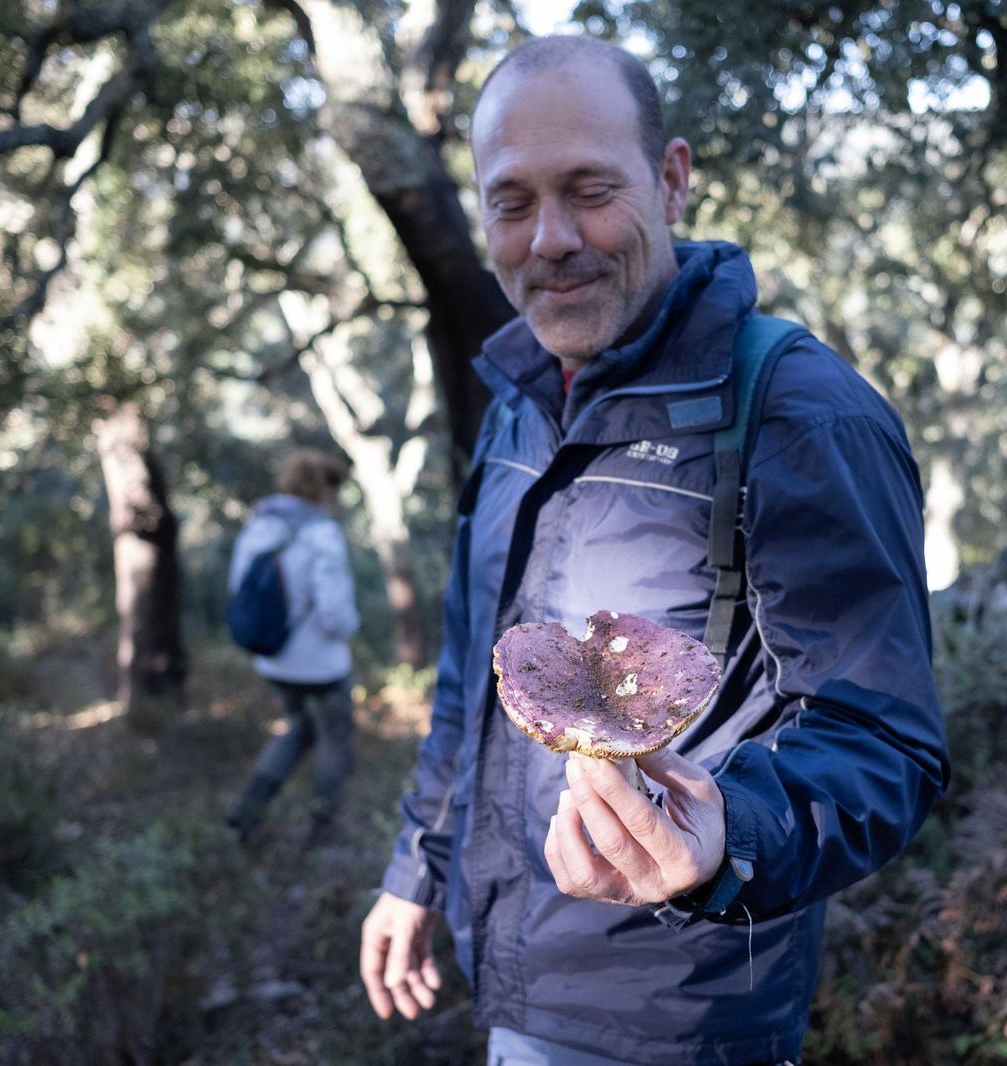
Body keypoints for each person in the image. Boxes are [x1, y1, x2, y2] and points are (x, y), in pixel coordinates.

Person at [361, 35, 950, 1065]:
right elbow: (472, 687)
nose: (548, 239)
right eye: (510, 201)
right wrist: (416, 869)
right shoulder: (519, 405)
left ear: (671, 180)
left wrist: (732, 832)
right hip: (510, 972)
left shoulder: (798, 415)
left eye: (590, 189)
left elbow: (885, 741)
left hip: (681, 1016)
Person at [226, 448, 362, 846]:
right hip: (320, 665)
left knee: (298, 728)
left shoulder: (260, 525)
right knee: (336, 740)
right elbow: (334, 612)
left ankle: (248, 809)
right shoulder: (321, 533)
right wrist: (350, 629)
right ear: (323, 488)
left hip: (275, 660)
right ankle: (325, 828)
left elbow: (239, 591)